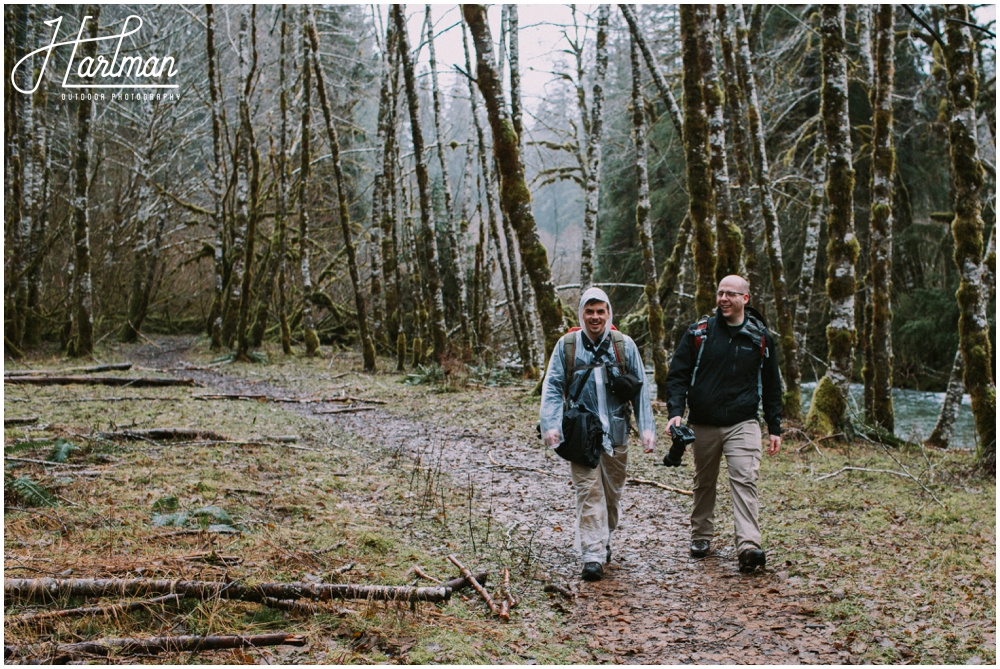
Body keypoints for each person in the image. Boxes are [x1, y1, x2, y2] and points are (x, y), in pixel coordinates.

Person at [664, 275, 782, 573]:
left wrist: (775, 426)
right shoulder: (699, 333)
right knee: (704, 482)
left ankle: (748, 545)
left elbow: (771, 385)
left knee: (745, 478)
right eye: (720, 293)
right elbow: (678, 374)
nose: (724, 299)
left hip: (743, 421)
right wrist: (675, 411)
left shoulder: (760, 337)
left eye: (731, 294)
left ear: (746, 299)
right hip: (703, 422)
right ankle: (701, 537)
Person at [540, 287, 656, 582]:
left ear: (608, 314)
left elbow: (641, 390)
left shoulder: (624, 345)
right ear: (581, 314)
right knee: (588, 492)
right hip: (581, 435)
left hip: (617, 434)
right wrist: (550, 424)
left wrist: (646, 429)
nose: (595, 317)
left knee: (611, 497)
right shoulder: (567, 346)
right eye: (589, 311)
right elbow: (553, 386)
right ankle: (592, 554)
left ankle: (603, 538)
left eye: (600, 311)